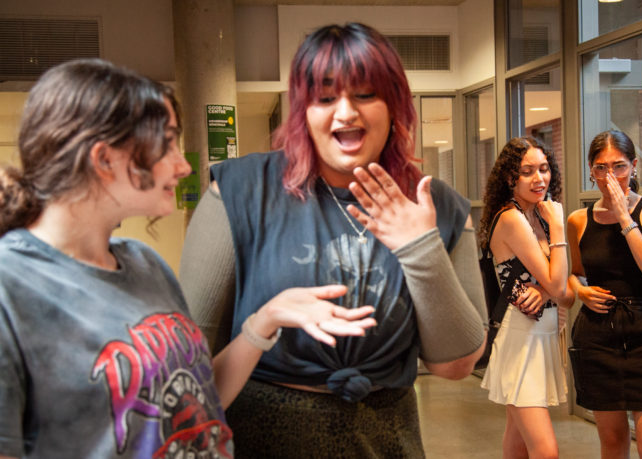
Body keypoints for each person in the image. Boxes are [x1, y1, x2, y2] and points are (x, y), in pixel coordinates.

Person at [0, 58, 376, 458]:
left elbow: (199, 401)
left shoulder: (143, 263)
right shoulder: (0, 287)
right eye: (167, 143)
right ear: (103, 159)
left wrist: (265, 320)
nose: (183, 165)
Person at [179, 23, 487, 457]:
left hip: (386, 442)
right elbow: (185, 378)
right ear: (302, 111)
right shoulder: (239, 192)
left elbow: (457, 365)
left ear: (394, 104)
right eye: (325, 98)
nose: (346, 113)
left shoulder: (434, 204)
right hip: (262, 439)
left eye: (365, 95)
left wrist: (421, 250)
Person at [566, 130, 642, 459]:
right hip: (598, 332)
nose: (610, 176)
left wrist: (625, 217)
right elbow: (574, 272)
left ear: (634, 165)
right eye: (601, 168)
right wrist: (581, 291)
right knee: (613, 443)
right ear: (591, 170)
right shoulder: (578, 219)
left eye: (619, 166)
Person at [477, 136, 574, 458]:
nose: (539, 178)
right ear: (510, 178)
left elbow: (566, 291)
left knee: (517, 441)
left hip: (543, 335)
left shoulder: (539, 217)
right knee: (546, 450)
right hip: (521, 337)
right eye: (527, 171)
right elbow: (560, 286)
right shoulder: (512, 218)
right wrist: (559, 228)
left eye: (544, 169)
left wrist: (546, 290)